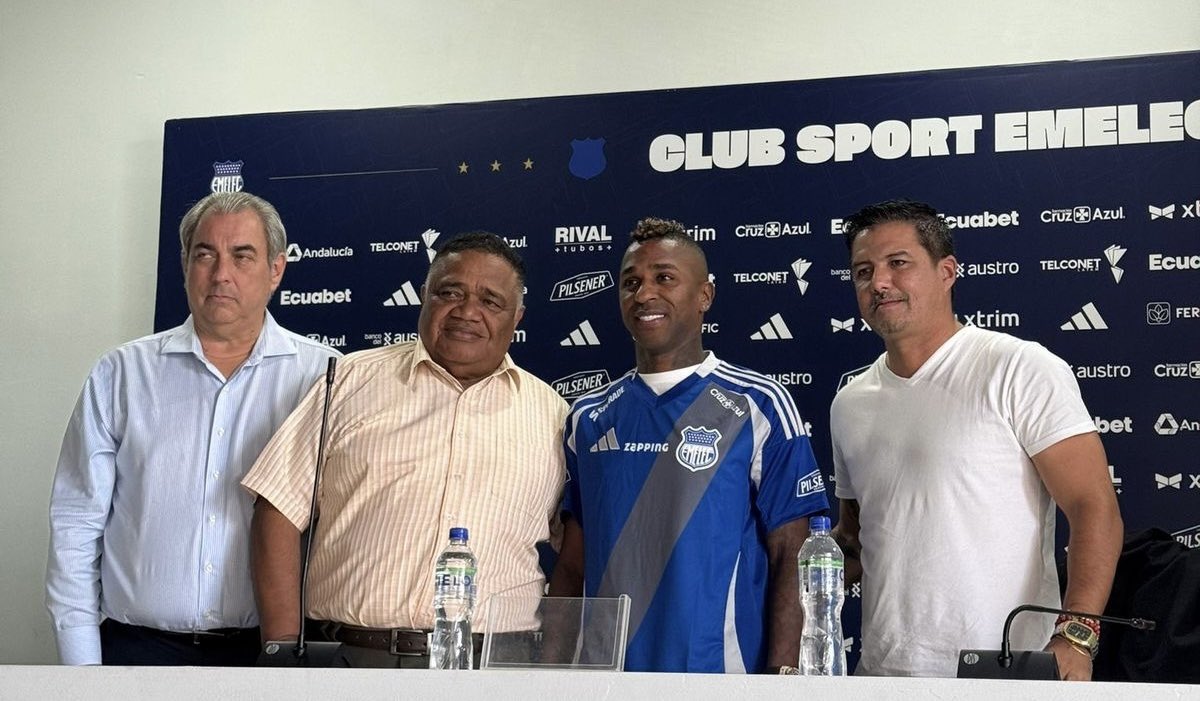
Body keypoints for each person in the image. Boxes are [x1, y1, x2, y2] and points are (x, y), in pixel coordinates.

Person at [243, 232, 567, 668]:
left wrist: (555, 665)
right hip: (352, 663)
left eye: (490, 301)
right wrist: (283, 647)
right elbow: (277, 507)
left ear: (518, 316)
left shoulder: (553, 415)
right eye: (450, 293)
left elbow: (578, 552)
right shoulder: (351, 380)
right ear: (423, 296)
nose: (466, 312)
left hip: (496, 668)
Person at [830, 199, 1123, 680]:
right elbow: (855, 540)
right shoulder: (849, 402)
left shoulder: (1019, 368)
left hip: (1004, 672)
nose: (879, 282)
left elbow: (1094, 507)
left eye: (898, 263)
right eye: (863, 271)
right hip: (882, 675)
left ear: (947, 272)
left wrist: (1076, 636)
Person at [45, 191, 340, 666]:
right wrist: (82, 670)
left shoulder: (325, 377)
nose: (221, 274)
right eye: (205, 255)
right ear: (185, 265)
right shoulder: (121, 374)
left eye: (242, 256)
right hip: (135, 652)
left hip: (269, 655)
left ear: (276, 270)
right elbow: (76, 527)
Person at [549, 217, 829, 673]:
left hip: (718, 678)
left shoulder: (758, 404)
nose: (644, 294)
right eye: (631, 282)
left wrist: (783, 680)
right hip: (604, 679)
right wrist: (548, 675)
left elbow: (792, 556)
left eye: (664, 278)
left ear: (705, 296)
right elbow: (572, 565)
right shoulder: (588, 415)